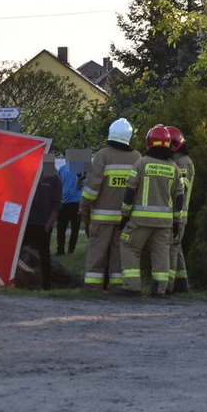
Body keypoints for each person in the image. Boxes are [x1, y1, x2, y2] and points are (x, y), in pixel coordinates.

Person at [118, 125, 184, 297]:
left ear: (149, 142)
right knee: (161, 254)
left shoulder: (141, 164)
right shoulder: (174, 169)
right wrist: (177, 221)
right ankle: (159, 289)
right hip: (165, 223)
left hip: (140, 221)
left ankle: (132, 286)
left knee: (129, 246)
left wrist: (125, 216)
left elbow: (129, 192)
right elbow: (179, 199)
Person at [80, 118, 141, 290]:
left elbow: (92, 189)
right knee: (119, 256)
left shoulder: (103, 155)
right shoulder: (137, 157)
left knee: (96, 253)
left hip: (101, 219)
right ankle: (116, 286)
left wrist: (84, 207)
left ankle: (92, 287)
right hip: (125, 219)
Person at [22, 153, 62, 290]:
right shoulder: (30, 176)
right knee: (19, 252)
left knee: (44, 255)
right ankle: (21, 279)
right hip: (27, 223)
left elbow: (57, 205)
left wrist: (48, 224)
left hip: (43, 224)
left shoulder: (55, 180)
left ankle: (46, 285)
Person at [167, 126, 194, 294]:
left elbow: (179, 191)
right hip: (179, 214)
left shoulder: (182, 163)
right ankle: (182, 284)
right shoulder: (181, 160)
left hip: (178, 214)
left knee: (171, 248)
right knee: (177, 249)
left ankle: (168, 286)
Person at [56, 152, 86, 256]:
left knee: (70, 227)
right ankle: (63, 249)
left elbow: (82, 179)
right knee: (65, 228)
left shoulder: (78, 169)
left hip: (74, 202)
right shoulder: (62, 169)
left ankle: (68, 249)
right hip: (66, 202)